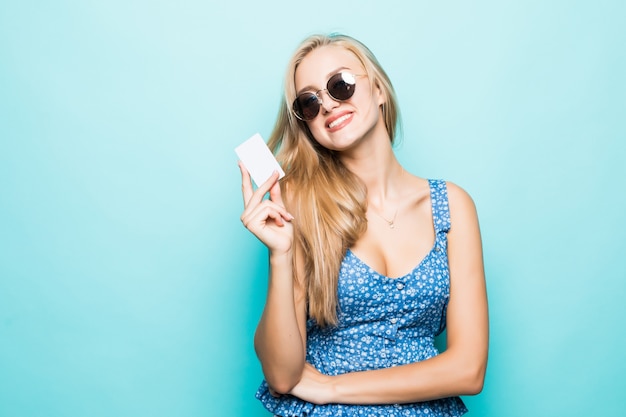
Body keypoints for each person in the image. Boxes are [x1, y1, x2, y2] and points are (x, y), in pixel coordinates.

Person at [238, 33, 488, 417]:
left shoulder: (451, 206)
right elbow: (283, 377)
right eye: (310, 102)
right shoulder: (301, 207)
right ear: (307, 122)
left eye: (340, 85)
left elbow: (468, 371)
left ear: (380, 89)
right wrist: (280, 255)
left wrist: (332, 387)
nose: (328, 106)